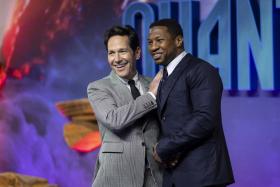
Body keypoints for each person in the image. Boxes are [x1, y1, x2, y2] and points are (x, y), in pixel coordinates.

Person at [148, 19, 235, 187]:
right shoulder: (161, 78)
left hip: (202, 175)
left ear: (178, 40)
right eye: (150, 42)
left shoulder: (202, 70)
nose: (153, 47)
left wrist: (165, 148)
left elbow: (205, 119)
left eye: (159, 40)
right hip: (173, 175)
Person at [87, 25, 163, 187]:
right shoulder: (98, 87)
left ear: (137, 53)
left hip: (155, 178)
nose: (117, 59)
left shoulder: (154, 84)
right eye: (111, 53)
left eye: (122, 51)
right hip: (115, 178)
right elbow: (114, 120)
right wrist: (150, 96)